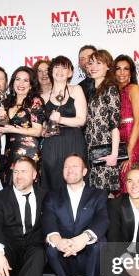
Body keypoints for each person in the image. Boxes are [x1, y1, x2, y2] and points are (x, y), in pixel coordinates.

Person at [42, 154, 108, 276]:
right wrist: (58, 241)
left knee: (100, 243)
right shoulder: (52, 195)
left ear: (85, 171)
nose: (70, 170)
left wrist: (83, 238)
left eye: (75, 167)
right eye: (66, 167)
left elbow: (103, 219)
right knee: (50, 248)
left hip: (89, 256)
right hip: (65, 256)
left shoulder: (98, 194)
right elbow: (48, 219)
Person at [41, 55, 87, 192]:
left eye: (64, 68)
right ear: (51, 71)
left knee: (75, 178)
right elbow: (42, 123)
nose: (60, 71)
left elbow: (81, 120)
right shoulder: (43, 96)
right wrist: (44, 130)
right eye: (56, 67)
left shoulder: (76, 90)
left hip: (73, 141)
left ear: (70, 72)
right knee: (53, 181)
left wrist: (61, 120)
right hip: (51, 144)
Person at [0, 66, 45, 185]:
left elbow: (38, 131)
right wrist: (1, 117)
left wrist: (14, 129)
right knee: (10, 191)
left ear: (31, 84)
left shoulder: (35, 101)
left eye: (25, 80)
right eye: (18, 79)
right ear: (13, 82)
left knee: (28, 188)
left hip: (29, 153)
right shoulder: (6, 102)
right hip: (10, 153)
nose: (21, 83)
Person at [84, 49, 121, 194]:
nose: (93, 67)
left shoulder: (110, 89)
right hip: (91, 148)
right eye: (91, 63)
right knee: (94, 193)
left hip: (105, 149)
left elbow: (114, 126)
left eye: (99, 63)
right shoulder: (91, 90)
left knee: (103, 195)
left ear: (108, 66)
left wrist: (114, 154)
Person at [114, 55, 139, 194]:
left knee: (128, 180)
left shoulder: (134, 89)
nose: (122, 72)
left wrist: (129, 151)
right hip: (116, 140)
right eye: (118, 69)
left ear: (131, 72)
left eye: (126, 69)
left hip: (132, 139)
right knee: (118, 181)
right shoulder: (112, 91)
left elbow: (138, 121)